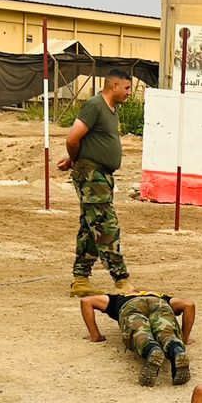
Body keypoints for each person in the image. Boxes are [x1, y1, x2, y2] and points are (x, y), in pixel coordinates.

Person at [60, 69, 133, 297]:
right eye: (127, 88)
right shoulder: (95, 105)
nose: (129, 92)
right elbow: (73, 137)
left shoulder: (111, 110)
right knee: (104, 225)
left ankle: (81, 279)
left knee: (89, 227)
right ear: (114, 86)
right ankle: (121, 279)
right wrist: (75, 159)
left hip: (101, 175)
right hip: (91, 175)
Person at [79, 289, 195, 386]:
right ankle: (176, 350)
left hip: (131, 306)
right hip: (159, 304)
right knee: (166, 332)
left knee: (140, 333)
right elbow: (189, 305)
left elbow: (86, 301)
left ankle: (152, 349)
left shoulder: (118, 298)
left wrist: (96, 336)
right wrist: (184, 338)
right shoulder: (163, 297)